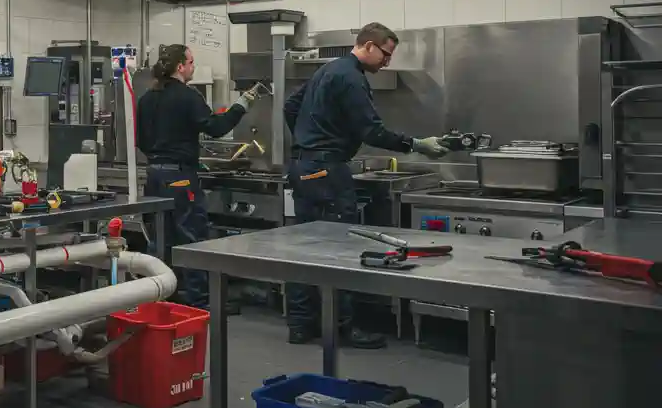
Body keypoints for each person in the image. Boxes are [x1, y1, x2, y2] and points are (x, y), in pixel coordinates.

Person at [282, 22, 450, 348]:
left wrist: (308, 141)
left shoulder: (329, 70)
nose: (388, 61)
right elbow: (371, 132)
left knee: (303, 246)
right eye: (386, 54)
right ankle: (344, 327)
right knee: (338, 247)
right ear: (369, 46)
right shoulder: (352, 79)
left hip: (304, 167)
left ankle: (301, 325)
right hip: (326, 169)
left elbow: (291, 106)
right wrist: (417, 144)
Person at [137, 43, 258, 310]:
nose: (193, 67)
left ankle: (159, 297)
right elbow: (216, 127)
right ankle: (198, 302)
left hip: (155, 175)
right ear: (180, 66)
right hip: (180, 179)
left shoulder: (147, 98)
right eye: (191, 62)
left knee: (161, 238)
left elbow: (142, 141)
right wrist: (241, 105)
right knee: (190, 237)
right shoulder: (187, 96)